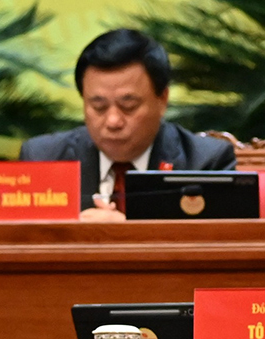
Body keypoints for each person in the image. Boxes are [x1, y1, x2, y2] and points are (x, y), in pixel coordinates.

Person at [19, 29, 236, 221]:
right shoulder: (43, 160)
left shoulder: (205, 163)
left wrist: (126, 233)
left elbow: (218, 246)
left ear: (162, 99)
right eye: (99, 107)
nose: (113, 121)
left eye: (128, 106)